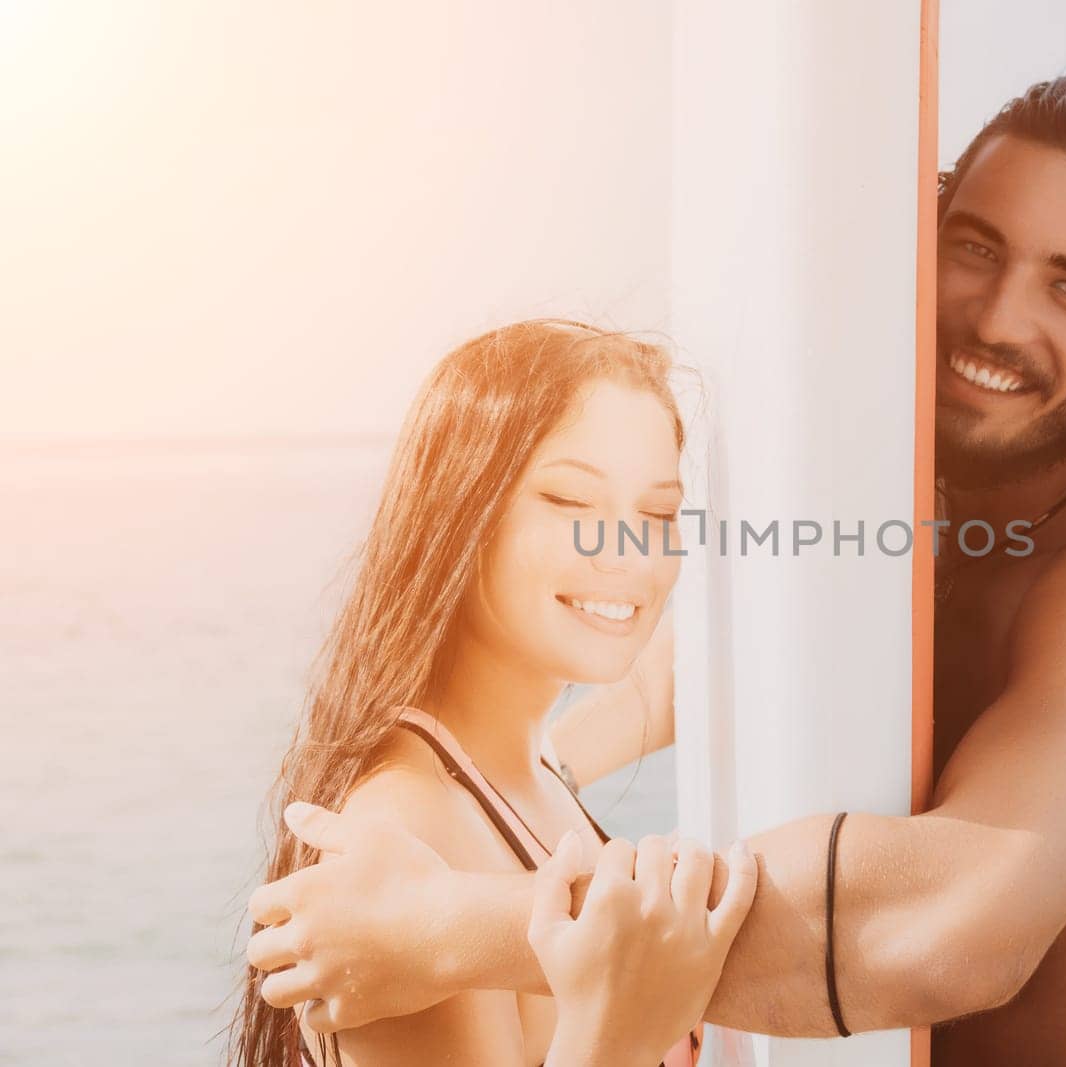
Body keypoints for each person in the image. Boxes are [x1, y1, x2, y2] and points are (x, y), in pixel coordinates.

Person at [245, 76, 1066, 1065]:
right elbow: (710, 662)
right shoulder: (944, 518)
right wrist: (511, 781)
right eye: (976, 248)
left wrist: (433, 923)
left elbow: (947, 924)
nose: (1000, 317)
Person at [230, 320, 758, 1067]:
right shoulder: (412, 830)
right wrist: (621, 1031)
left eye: (658, 514)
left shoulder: (526, 773)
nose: (626, 552)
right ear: (460, 515)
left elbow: (661, 680)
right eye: (573, 502)